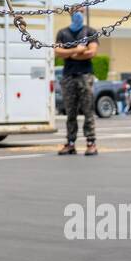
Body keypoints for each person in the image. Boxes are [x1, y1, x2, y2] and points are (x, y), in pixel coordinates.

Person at [55, 9, 98, 155]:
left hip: (85, 76)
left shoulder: (90, 31)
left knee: (88, 110)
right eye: (75, 11)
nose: (78, 14)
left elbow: (91, 52)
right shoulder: (63, 33)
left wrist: (70, 54)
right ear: (70, 14)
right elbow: (58, 52)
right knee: (70, 112)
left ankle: (91, 143)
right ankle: (70, 143)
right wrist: (77, 50)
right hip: (68, 76)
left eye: (80, 11)